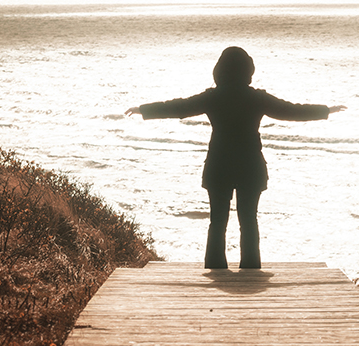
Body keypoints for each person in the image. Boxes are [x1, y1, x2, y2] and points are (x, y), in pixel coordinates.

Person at [126, 46, 345, 270]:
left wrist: (144, 110)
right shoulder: (257, 98)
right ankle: (250, 270)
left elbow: (179, 107)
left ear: (219, 70)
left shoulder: (213, 96)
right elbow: (292, 111)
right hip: (250, 166)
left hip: (219, 166)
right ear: (248, 70)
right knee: (249, 221)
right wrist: (325, 110)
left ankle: (215, 269)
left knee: (217, 222)